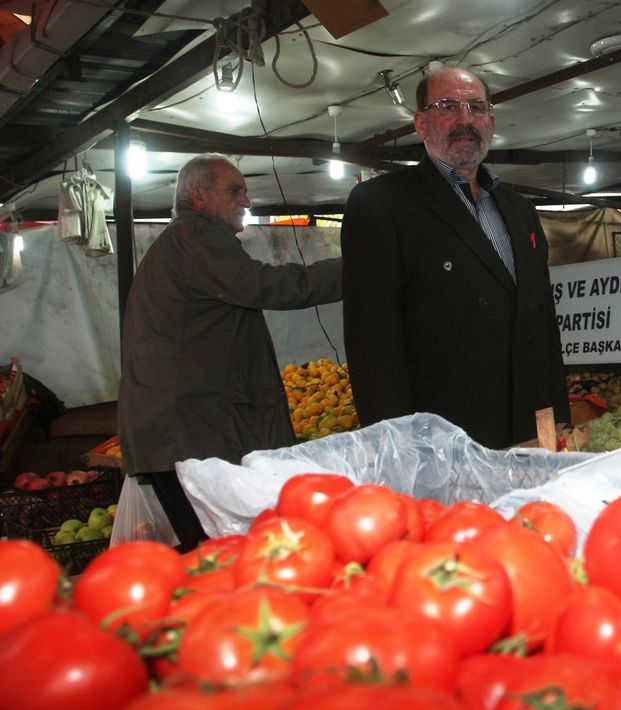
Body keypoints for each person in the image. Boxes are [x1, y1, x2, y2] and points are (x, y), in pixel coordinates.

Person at [117, 154, 342, 550]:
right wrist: (358, 268)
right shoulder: (196, 237)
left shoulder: (184, 240)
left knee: (212, 554)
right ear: (199, 196)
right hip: (188, 436)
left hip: (183, 433)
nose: (248, 201)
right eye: (235, 190)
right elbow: (268, 287)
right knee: (217, 555)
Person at [340, 66, 568, 449]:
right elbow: (372, 343)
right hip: (446, 435)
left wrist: (558, 416)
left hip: (532, 425)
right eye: (448, 106)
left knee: (538, 511)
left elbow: (542, 322)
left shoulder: (520, 209)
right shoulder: (382, 204)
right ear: (421, 123)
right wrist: (398, 445)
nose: (465, 119)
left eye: (476, 107)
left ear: (491, 123)